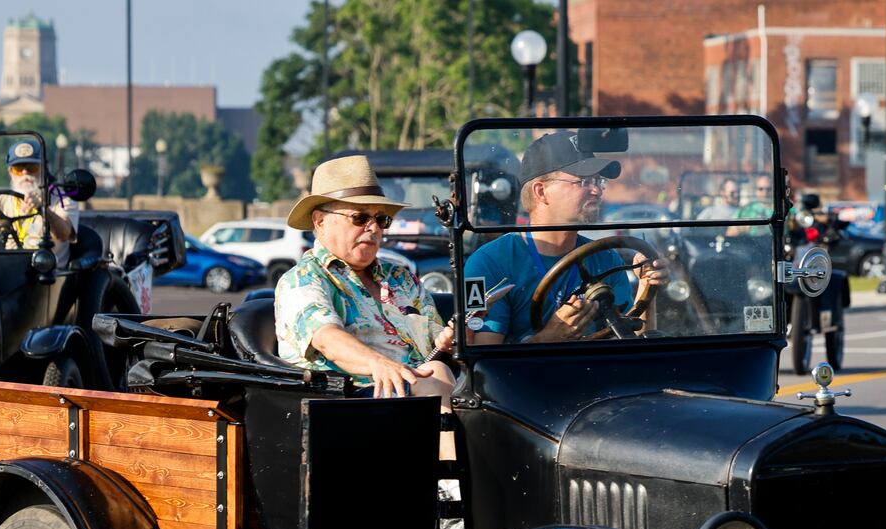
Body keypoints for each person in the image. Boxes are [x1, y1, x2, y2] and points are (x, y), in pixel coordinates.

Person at [273, 154, 457, 444]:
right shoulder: (303, 279)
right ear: (320, 222)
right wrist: (379, 364)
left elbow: (436, 340)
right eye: (359, 217)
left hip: (415, 399)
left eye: (381, 219)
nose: (373, 228)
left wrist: (451, 338)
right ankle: (448, 483)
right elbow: (326, 338)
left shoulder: (401, 277)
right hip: (345, 408)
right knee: (436, 376)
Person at [463, 130, 666, 344]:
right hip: (525, 378)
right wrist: (548, 339)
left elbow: (633, 348)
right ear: (541, 192)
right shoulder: (486, 263)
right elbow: (483, 362)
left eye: (599, 181)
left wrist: (647, 289)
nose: (597, 191)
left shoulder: (606, 259)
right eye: (584, 181)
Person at [0, 140, 77, 263]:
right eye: (18, 169)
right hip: (5, 272)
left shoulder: (61, 200)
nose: (25, 173)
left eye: (32, 168)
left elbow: (63, 235)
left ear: (43, 169)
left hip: (48, 273)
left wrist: (43, 209)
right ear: (10, 172)